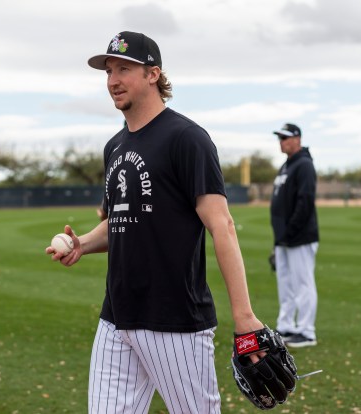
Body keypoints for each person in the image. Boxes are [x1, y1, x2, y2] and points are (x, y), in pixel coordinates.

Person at [46, 31, 265, 414]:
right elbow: (119, 222)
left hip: (174, 320)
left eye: (124, 69)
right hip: (116, 316)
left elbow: (222, 226)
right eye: (109, 70)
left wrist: (244, 318)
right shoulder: (114, 146)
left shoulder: (187, 139)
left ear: (153, 74)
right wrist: (82, 242)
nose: (113, 79)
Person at [270, 123, 319, 348]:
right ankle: (286, 325)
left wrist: (290, 233)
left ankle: (307, 331)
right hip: (284, 238)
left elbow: (305, 202)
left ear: (298, 139)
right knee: (286, 284)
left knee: (303, 283)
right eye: (280, 138)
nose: (282, 142)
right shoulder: (286, 166)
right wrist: (279, 240)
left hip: (300, 237)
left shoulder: (304, 165)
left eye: (286, 138)